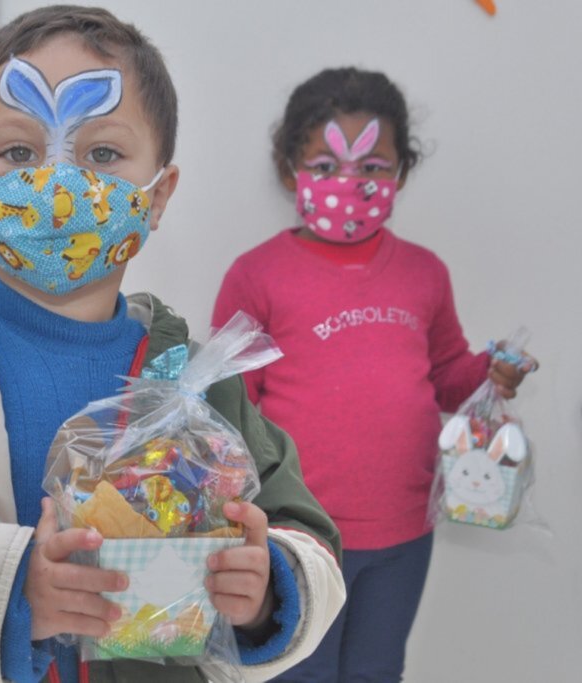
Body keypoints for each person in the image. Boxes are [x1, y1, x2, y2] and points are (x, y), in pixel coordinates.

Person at [0, 7, 344, 683]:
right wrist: (12, 590)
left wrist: (264, 590)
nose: (56, 185)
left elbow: (299, 528)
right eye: (18, 152)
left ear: (157, 196)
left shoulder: (193, 380)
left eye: (102, 154)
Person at [211, 66, 538, 683]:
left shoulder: (425, 273)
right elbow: (231, 405)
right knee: (295, 672)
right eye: (326, 165)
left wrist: (490, 373)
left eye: (372, 166)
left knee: (377, 670)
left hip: (404, 531)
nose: (349, 182)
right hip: (297, 532)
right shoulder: (257, 274)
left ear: (401, 173)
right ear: (290, 172)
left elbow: (446, 375)